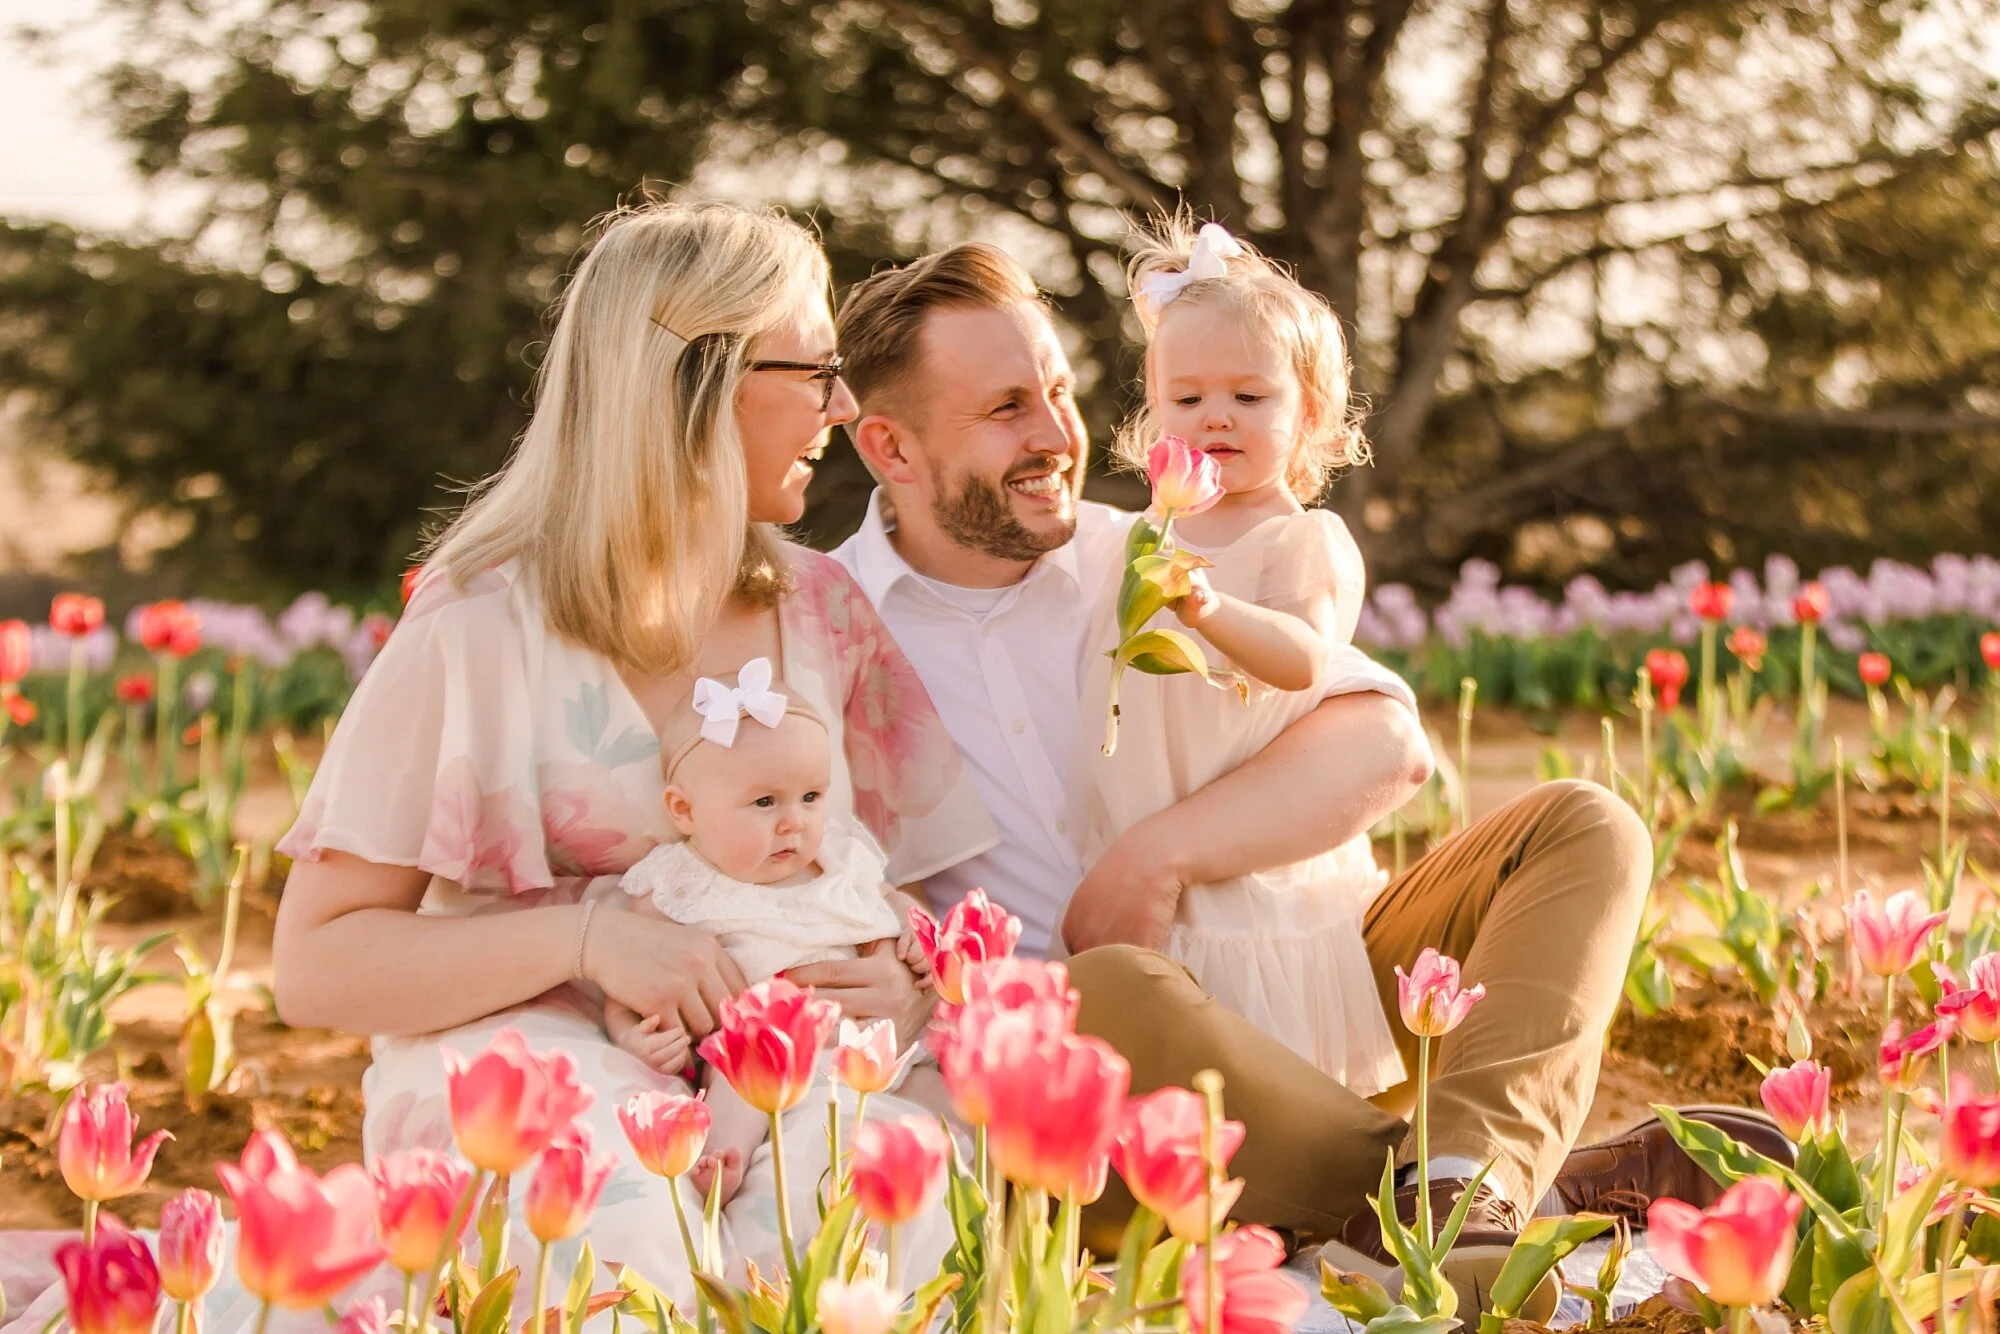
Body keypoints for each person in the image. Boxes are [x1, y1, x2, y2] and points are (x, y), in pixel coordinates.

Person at [0, 202, 1003, 1334]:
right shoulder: (480, 623)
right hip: (524, 1055)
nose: (842, 404)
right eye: (815, 370)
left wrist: (904, 985)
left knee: (895, 1185)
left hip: (780, 1065)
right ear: (692, 382)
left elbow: (899, 884)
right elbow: (316, 967)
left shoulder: (821, 610)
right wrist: (587, 938)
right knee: (625, 1218)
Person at [828, 236, 1788, 1316]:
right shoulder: (821, 629)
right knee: (1104, 986)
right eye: (1007, 407)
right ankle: (1507, 1188)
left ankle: (1454, 1183)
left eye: (1057, 388)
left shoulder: (1153, 552)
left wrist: (1162, 849)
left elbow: (1383, 741)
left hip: (1289, 968)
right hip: (1091, 1060)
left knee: (1582, 824)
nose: (1058, 433)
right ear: (889, 448)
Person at [1072, 217, 1400, 1095]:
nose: (1215, 416)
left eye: (1250, 398)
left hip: (1249, 863)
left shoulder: (1300, 540)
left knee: (1256, 1073)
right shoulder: (1146, 533)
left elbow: (1303, 659)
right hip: (1146, 822)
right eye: (1186, 400)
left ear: (1310, 414)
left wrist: (1211, 609)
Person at [607, 658, 937, 1202]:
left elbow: (890, 899)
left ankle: (994, 1200)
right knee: (736, 1086)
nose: (794, 822)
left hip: (872, 1046)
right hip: (759, 1053)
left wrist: (912, 930)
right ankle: (721, 1164)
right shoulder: (679, 883)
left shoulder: (838, 859)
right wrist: (630, 1031)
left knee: (946, 1104)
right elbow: (631, 974)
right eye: (765, 803)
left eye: (810, 798)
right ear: (684, 810)